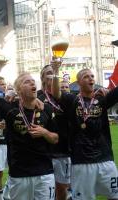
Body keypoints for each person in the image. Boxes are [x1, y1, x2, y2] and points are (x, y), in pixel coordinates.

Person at [51, 66, 118, 200]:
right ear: (79, 82)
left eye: (92, 76)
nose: (91, 78)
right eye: (86, 76)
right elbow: (56, 93)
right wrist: (56, 71)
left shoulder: (102, 100)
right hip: (81, 161)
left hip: (105, 158)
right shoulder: (72, 100)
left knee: (115, 195)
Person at [0, 72, 59, 200]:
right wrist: (11, 93)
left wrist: (44, 132)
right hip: (19, 174)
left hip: (44, 173)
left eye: (33, 81)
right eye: (26, 82)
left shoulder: (46, 109)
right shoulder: (10, 109)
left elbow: (55, 138)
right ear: (19, 90)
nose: (32, 83)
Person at [39, 63, 71, 200]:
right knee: (44, 188)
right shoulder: (38, 96)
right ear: (43, 78)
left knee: (61, 188)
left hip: (63, 148)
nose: (51, 75)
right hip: (43, 150)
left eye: (53, 72)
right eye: (48, 73)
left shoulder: (63, 96)